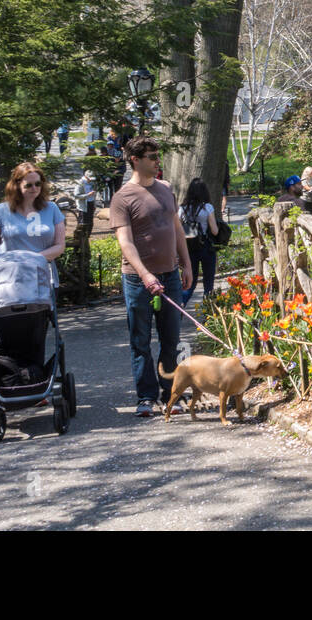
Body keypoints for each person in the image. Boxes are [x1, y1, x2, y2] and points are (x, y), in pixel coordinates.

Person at [110, 136, 193, 418]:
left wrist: (187, 264)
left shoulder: (166, 189)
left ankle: (170, 394)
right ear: (135, 160)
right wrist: (145, 275)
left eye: (158, 155)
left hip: (169, 275)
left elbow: (177, 229)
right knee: (140, 340)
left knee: (171, 338)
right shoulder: (123, 197)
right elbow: (125, 242)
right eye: (152, 156)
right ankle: (145, 396)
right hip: (137, 279)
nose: (157, 161)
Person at [0, 163, 66, 275]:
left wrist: (31, 260)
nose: (34, 188)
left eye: (38, 184)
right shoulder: (1, 211)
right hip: (9, 278)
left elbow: (60, 246)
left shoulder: (52, 209)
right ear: (17, 185)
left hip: (43, 277)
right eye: (28, 185)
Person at [179, 179, 219, 306]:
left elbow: (178, 231)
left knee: (190, 282)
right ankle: (209, 313)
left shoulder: (182, 209)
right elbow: (214, 231)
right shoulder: (207, 208)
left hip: (189, 249)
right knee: (208, 282)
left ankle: (181, 304)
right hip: (205, 247)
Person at [73, 168, 96, 238]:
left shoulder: (92, 182)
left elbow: (94, 195)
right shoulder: (80, 183)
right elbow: (76, 195)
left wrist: (94, 204)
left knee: (90, 222)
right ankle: (81, 238)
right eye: (90, 178)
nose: (91, 180)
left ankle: (88, 236)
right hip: (83, 206)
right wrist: (87, 195)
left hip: (91, 203)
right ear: (86, 177)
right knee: (83, 223)